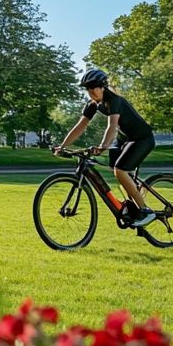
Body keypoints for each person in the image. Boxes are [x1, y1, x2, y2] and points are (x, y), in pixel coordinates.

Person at [54, 68, 157, 227]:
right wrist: (62, 146)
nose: (90, 92)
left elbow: (112, 127)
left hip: (143, 139)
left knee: (120, 170)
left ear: (102, 86)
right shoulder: (93, 104)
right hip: (125, 139)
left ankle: (144, 210)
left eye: (93, 87)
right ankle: (134, 204)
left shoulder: (114, 100)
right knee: (115, 170)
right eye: (87, 89)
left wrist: (103, 145)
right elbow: (79, 127)